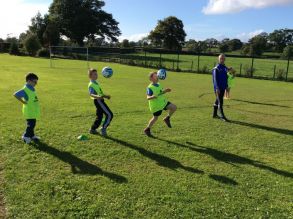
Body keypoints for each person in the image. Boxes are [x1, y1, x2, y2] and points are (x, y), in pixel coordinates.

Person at [144, 72, 177, 137]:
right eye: (155, 76)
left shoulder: (159, 84)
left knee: (174, 107)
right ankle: (147, 129)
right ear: (151, 79)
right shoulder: (150, 87)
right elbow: (148, 97)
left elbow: (160, 93)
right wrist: (152, 97)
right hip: (156, 106)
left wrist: (165, 91)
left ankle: (167, 118)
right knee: (155, 118)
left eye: (157, 76)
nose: (157, 77)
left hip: (163, 102)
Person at [13, 73, 41, 144]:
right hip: (29, 111)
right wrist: (23, 101)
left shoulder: (32, 88)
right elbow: (16, 94)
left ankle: (32, 135)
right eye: (35, 82)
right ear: (29, 81)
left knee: (33, 123)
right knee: (31, 124)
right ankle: (25, 136)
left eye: (36, 82)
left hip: (33, 110)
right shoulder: (25, 89)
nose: (36, 83)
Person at [88, 69, 113, 136]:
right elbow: (91, 94)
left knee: (99, 116)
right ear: (90, 76)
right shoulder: (91, 84)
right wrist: (98, 97)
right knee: (110, 114)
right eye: (94, 74)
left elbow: (100, 93)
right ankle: (103, 128)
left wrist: (105, 96)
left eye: (97, 74)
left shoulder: (96, 83)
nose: (96, 75)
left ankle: (92, 129)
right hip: (98, 101)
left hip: (100, 100)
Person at [212, 54, 233, 122]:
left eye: (223, 58)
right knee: (220, 102)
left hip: (223, 87)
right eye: (221, 58)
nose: (222, 60)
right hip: (218, 88)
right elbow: (215, 79)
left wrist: (226, 86)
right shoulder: (216, 68)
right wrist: (217, 88)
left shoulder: (224, 67)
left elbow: (226, 77)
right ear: (218, 59)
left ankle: (214, 114)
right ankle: (222, 116)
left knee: (217, 100)